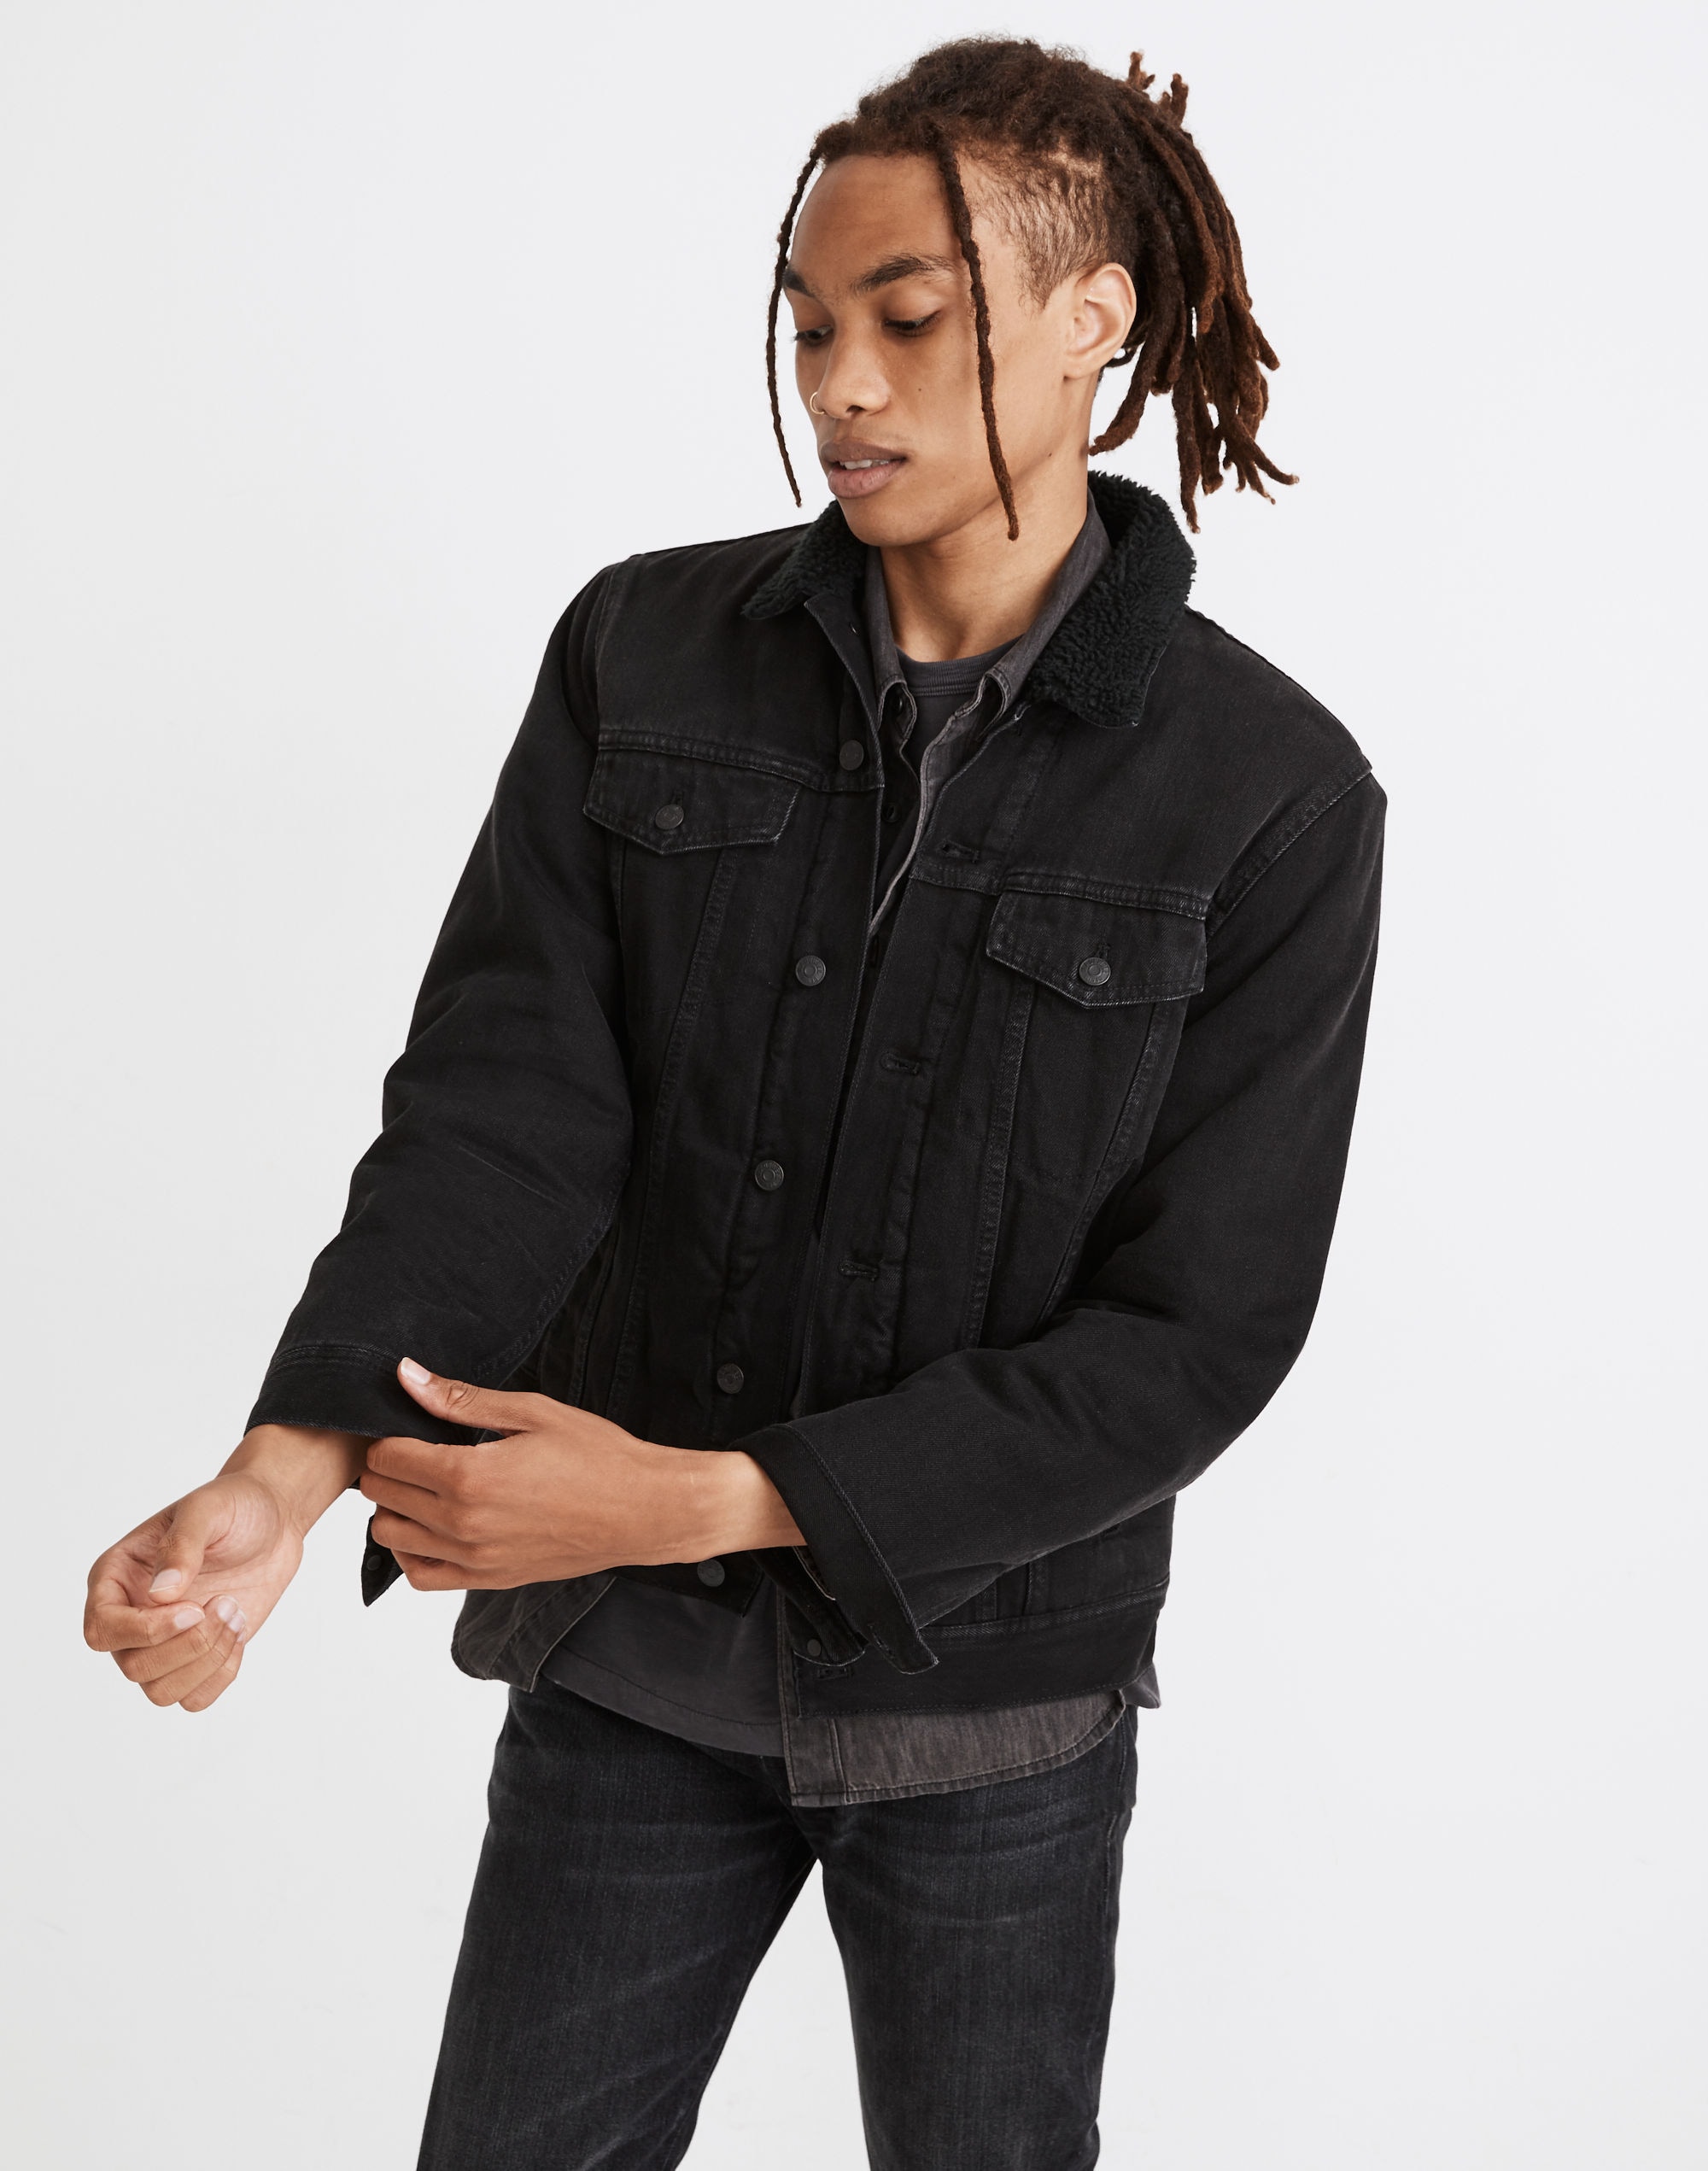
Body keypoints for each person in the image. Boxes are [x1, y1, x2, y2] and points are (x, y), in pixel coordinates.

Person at [85, 36, 1383, 2170]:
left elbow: (1193, 1337)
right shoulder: (642, 653)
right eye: (809, 323)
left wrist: (699, 1496)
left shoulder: (1272, 794)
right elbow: (503, 1114)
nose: (841, 385)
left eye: (911, 319)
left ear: (1094, 317)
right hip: (628, 1681)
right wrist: (284, 1469)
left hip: (991, 1702)